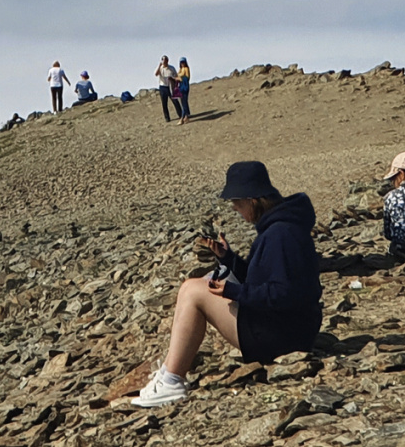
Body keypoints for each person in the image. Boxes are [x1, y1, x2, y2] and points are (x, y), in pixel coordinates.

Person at [131, 161, 322, 409]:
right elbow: (266, 280)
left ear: (253, 201)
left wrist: (233, 291)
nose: (234, 209)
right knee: (199, 283)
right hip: (289, 328)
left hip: (284, 336)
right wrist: (228, 259)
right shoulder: (281, 228)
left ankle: (172, 380)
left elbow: (284, 293)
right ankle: (170, 372)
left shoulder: (280, 235)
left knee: (192, 291)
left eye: (237, 203)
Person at [155, 55, 177, 123]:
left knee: (175, 101)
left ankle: (180, 113)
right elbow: (156, 74)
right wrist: (159, 66)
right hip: (163, 87)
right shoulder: (160, 68)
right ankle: (167, 117)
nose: (165, 61)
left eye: (166, 60)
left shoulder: (171, 68)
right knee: (164, 103)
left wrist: (173, 80)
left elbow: (176, 76)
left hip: (170, 86)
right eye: (163, 60)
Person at [176, 56, 192, 124]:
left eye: (183, 62)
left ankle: (182, 118)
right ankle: (186, 116)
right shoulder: (180, 69)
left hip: (184, 87)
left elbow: (187, 78)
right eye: (181, 62)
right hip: (181, 87)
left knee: (184, 102)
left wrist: (180, 78)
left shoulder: (186, 69)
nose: (182, 63)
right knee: (183, 102)